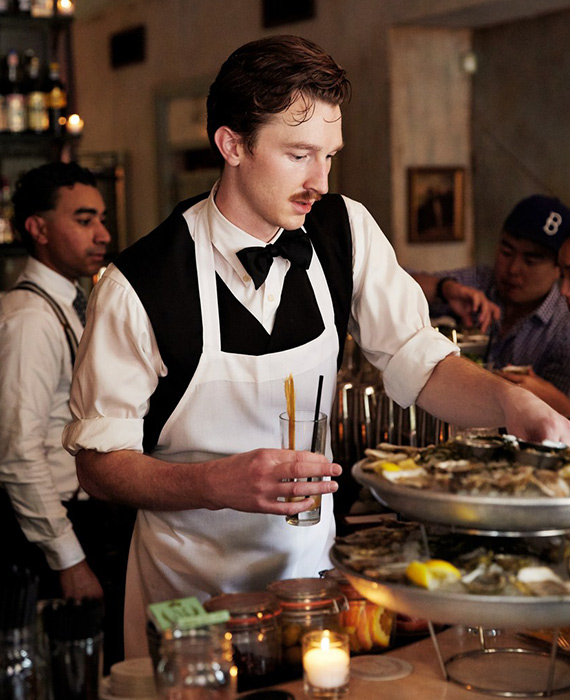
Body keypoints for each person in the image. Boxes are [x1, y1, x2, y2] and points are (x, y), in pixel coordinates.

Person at [61, 36, 570, 658]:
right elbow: (99, 465)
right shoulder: (136, 284)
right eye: (299, 154)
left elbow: (420, 359)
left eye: (329, 156)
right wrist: (213, 482)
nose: (320, 181)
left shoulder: (345, 230)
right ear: (232, 145)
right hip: (189, 593)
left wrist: (512, 403)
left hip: (314, 579)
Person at [0, 161, 135, 671]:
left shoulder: (74, 303)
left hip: (92, 517)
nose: (102, 234)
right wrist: (69, 558)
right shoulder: (30, 318)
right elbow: (17, 454)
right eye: (83, 220)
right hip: (57, 525)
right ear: (37, 228)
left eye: (101, 218)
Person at [412, 194, 570, 394]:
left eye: (530, 261)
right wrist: (445, 288)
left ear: (558, 269)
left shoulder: (563, 327)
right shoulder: (482, 281)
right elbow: (395, 286)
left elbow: (559, 405)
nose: (513, 269)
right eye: (506, 252)